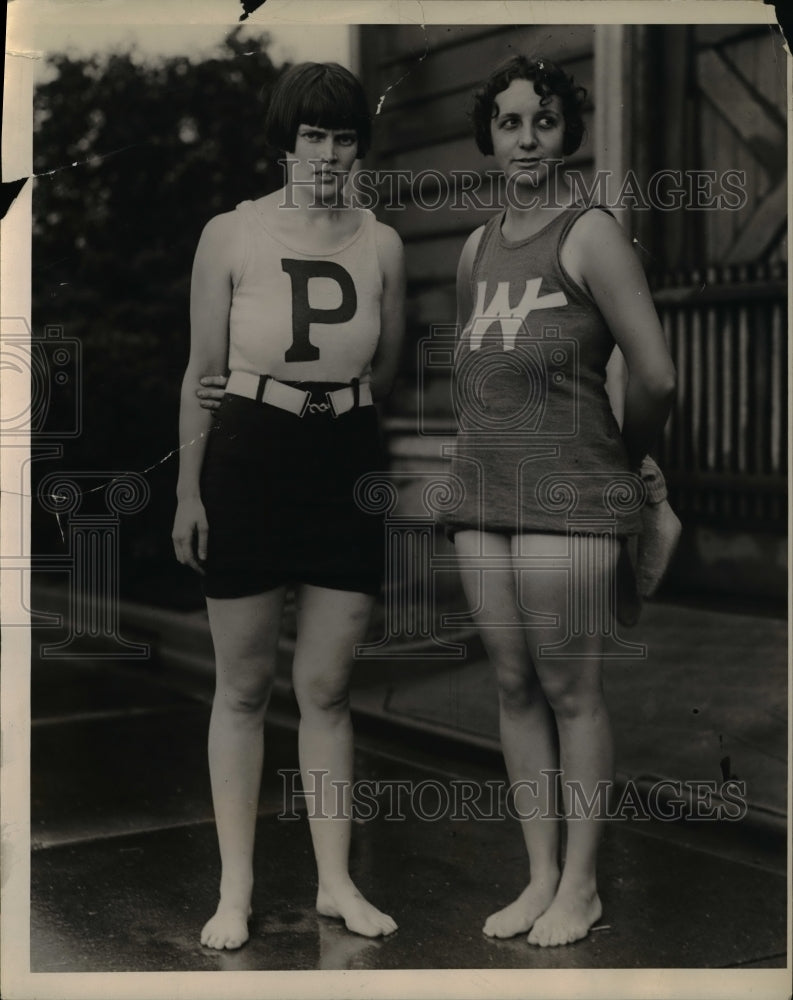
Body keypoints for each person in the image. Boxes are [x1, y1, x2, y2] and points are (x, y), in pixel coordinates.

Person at [172, 61, 405, 950]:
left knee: (328, 687)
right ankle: (234, 890)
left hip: (341, 457)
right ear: (286, 142)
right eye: (313, 136)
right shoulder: (231, 234)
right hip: (246, 454)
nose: (329, 154)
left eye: (345, 137)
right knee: (242, 686)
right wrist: (189, 492)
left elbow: (379, 370)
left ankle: (337, 882)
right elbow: (198, 378)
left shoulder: (380, 240)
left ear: (359, 147)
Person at [445, 56, 676, 947]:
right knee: (510, 685)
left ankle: (580, 885)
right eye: (508, 123)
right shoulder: (474, 247)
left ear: (565, 133)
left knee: (569, 688)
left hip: (570, 494)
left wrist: (630, 457)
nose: (525, 140)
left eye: (542, 122)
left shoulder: (590, 234)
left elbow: (654, 373)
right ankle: (538, 875)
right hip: (481, 495)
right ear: (489, 136)